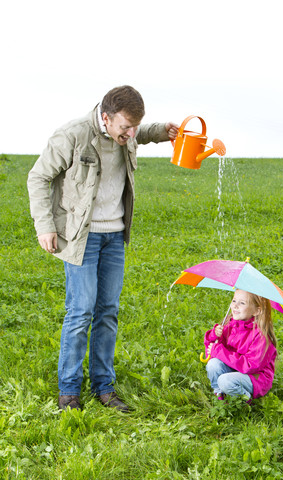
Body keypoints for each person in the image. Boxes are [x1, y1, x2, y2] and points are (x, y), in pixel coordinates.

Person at [27, 85, 178, 411]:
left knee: (107, 312)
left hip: (114, 236)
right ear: (105, 118)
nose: (131, 133)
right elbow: (38, 177)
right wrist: (45, 226)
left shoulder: (127, 131)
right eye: (125, 127)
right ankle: (69, 391)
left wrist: (162, 131)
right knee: (80, 312)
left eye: (135, 126)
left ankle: (104, 387)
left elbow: (141, 132)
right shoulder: (73, 135)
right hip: (82, 237)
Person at [204, 289, 277, 402]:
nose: (235, 306)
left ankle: (245, 400)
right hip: (235, 369)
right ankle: (220, 395)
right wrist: (214, 336)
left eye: (242, 303)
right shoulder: (230, 325)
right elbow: (212, 352)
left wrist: (219, 351)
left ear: (256, 311)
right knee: (213, 364)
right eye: (234, 301)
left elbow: (250, 366)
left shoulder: (260, 336)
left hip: (255, 377)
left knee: (225, 381)